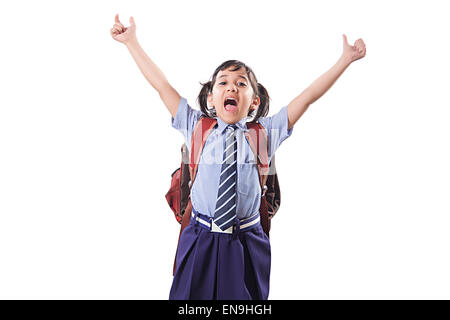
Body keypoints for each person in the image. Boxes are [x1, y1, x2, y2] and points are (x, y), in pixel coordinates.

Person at [110, 14, 366, 300]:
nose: (232, 87)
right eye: (223, 83)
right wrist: (131, 42)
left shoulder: (264, 133)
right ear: (211, 98)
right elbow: (161, 86)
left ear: (254, 101)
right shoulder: (196, 127)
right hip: (200, 236)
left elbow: (306, 97)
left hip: (245, 240)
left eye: (241, 84)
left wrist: (344, 60)